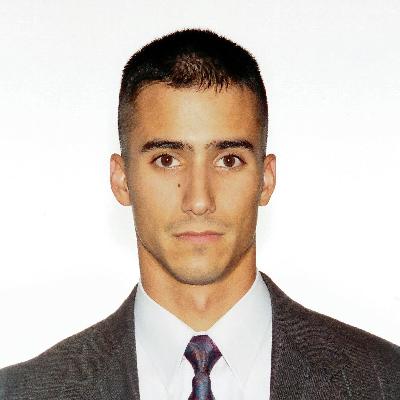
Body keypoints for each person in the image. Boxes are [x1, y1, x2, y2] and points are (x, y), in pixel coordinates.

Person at [0, 28, 399, 400]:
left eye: (228, 160)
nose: (199, 200)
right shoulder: (22, 392)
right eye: (167, 159)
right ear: (121, 180)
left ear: (266, 179)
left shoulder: (385, 381)